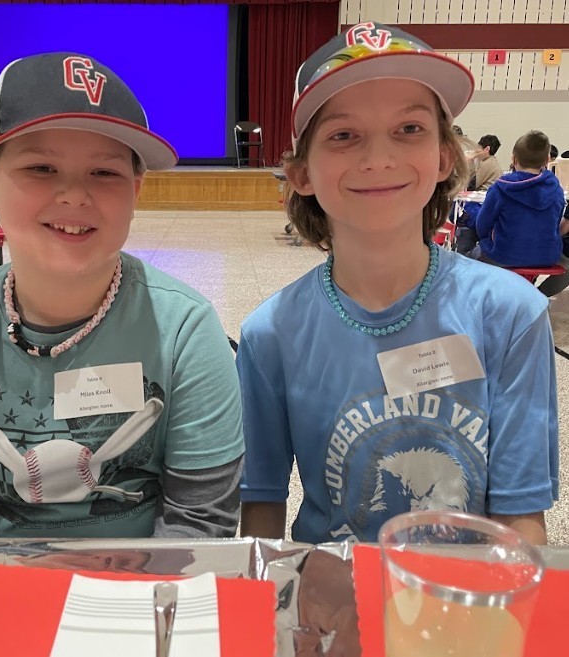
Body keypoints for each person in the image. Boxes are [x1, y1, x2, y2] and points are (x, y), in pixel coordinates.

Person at [0, 53, 244, 539]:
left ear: (136, 191)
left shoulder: (184, 331)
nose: (75, 195)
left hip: (143, 597)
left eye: (105, 173)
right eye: (41, 167)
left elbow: (202, 530)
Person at [237, 22, 558, 546]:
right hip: (333, 602)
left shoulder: (512, 313)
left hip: (466, 606)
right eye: (343, 135)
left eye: (409, 129)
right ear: (300, 174)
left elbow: (521, 519)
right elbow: (262, 511)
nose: (379, 159)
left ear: (444, 157)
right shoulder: (270, 334)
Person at [470, 130, 564, 267]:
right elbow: (555, 223)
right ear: (547, 160)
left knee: (467, 256)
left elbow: (482, 226)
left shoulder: (501, 188)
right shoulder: (556, 189)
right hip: (547, 256)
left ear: (513, 159)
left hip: (504, 255)